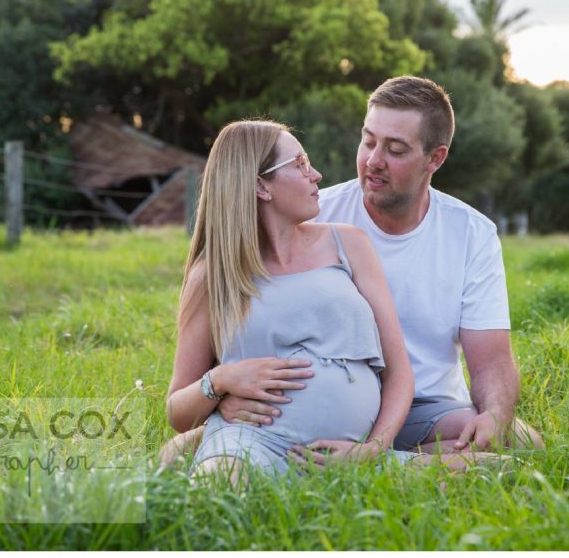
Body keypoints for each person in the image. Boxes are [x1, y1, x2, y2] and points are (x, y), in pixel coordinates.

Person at [160, 76, 542, 467]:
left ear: (435, 158)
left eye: (394, 149)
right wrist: (220, 392)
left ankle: (386, 460)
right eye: (368, 140)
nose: (374, 160)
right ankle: (399, 466)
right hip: (296, 409)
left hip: (424, 405)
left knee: (521, 439)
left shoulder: (469, 233)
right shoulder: (309, 209)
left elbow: (492, 359)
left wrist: (493, 416)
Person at [164, 119, 415, 480]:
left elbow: (400, 372)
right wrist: (219, 380)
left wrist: (373, 450)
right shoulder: (213, 274)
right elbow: (177, 411)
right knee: (219, 489)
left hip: (351, 456)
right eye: (299, 164)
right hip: (251, 442)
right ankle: (204, 450)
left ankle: (188, 452)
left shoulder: (349, 243)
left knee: (495, 469)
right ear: (260, 185)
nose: (316, 174)